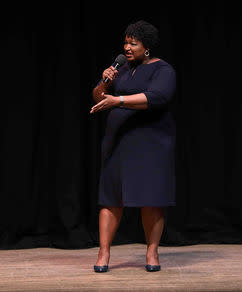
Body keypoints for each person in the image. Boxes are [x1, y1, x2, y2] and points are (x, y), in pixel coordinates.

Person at [90, 20, 176, 273]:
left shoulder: (163, 69)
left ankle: (152, 251)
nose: (127, 47)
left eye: (133, 43)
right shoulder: (122, 69)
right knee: (111, 197)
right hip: (118, 140)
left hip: (150, 142)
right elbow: (98, 96)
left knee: (151, 198)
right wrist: (106, 82)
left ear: (146, 47)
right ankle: (104, 252)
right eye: (125, 42)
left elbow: (157, 97)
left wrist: (118, 100)